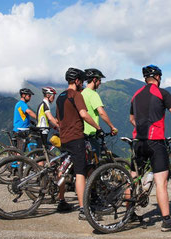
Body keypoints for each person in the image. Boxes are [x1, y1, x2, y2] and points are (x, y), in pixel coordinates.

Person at [129, 65, 171, 232]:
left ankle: (128, 215)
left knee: (133, 178)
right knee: (161, 181)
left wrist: (141, 127)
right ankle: (167, 221)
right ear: (157, 77)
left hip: (138, 141)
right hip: (155, 142)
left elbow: (131, 119)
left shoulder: (135, 95)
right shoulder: (162, 93)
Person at [55, 67, 103, 219]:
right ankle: (83, 210)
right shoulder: (76, 95)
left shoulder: (60, 96)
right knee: (80, 173)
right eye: (81, 81)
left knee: (62, 169)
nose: (82, 84)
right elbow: (84, 114)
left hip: (64, 138)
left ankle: (61, 201)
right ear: (76, 81)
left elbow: (58, 119)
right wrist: (97, 127)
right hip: (76, 138)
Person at [82, 68, 118, 156]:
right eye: (99, 80)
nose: (100, 83)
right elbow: (101, 112)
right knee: (96, 161)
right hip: (92, 133)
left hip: (82, 133)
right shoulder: (93, 94)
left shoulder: (82, 93)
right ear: (94, 80)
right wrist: (112, 127)